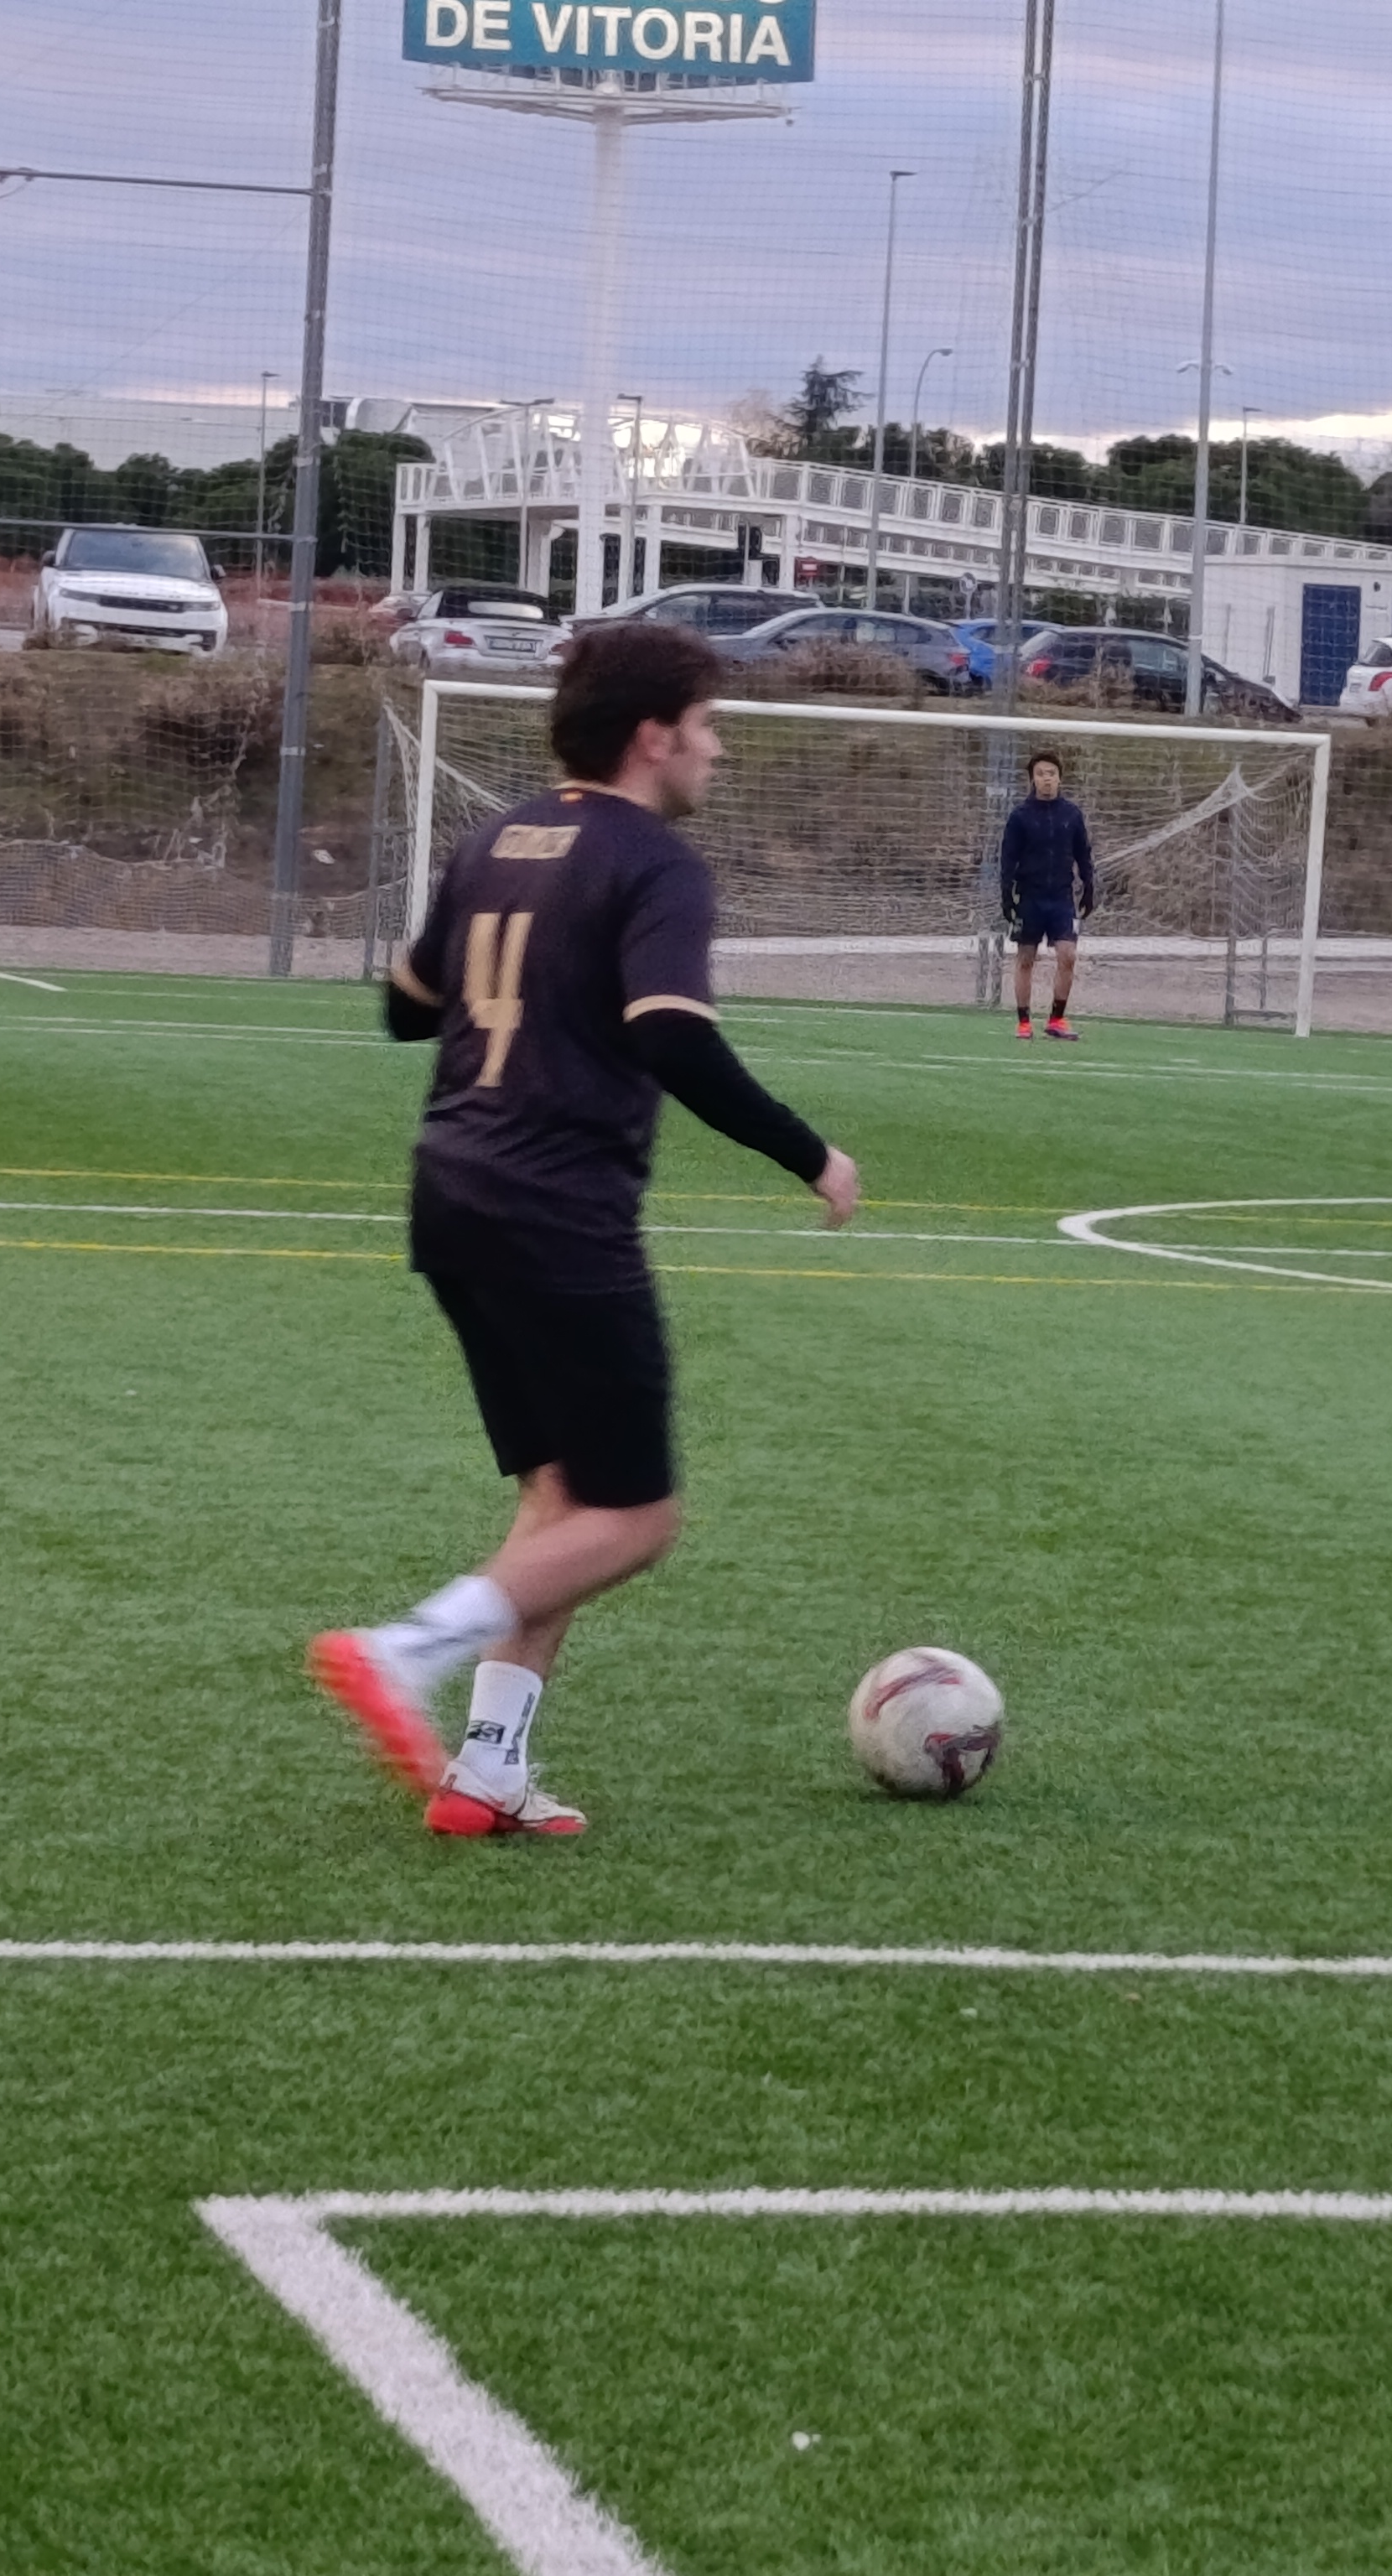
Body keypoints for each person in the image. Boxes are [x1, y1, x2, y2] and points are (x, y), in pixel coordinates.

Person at [309, 621, 863, 1838]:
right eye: (707, 726)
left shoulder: (494, 839)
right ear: (653, 736)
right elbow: (670, 1033)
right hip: (556, 1210)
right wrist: (811, 1154)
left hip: (451, 1192)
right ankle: (404, 1651)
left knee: (560, 1500)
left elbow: (407, 1011)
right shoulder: (654, 861)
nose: (717, 750)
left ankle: (487, 1770)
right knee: (636, 1517)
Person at [999, 750, 1098, 1039]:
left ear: (1060, 778)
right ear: (1032, 779)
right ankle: (1023, 1022)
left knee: (1068, 955)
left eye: (1051, 774)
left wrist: (1089, 887)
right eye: (1041, 774)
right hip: (1030, 897)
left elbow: (1083, 854)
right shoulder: (1020, 817)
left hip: (1061, 898)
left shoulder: (1071, 815)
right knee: (1026, 958)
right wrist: (1007, 895)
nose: (1047, 779)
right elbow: (1008, 859)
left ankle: (1056, 1020)